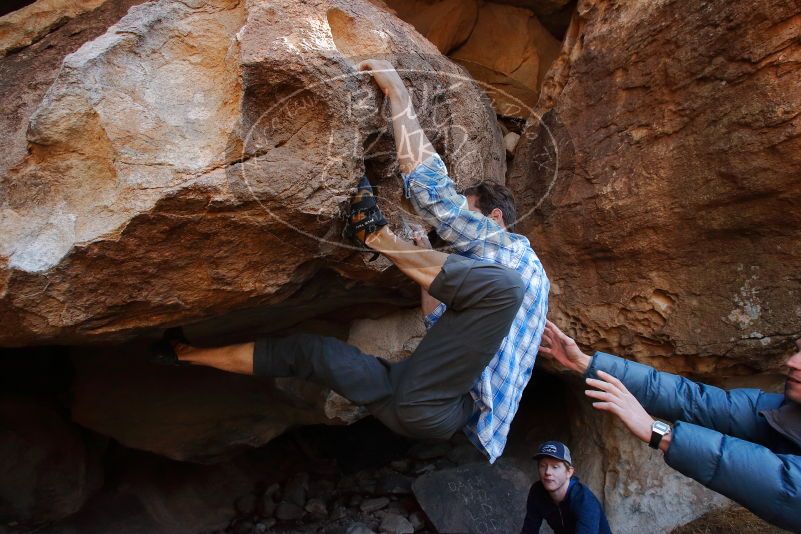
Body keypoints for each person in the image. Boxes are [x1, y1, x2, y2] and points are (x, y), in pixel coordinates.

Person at [152, 60, 549, 463]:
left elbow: (438, 198)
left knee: (503, 288)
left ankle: (374, 233)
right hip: (416, 403)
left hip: (442, 404)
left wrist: (399, 95)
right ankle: (183, 353)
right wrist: (420, 263)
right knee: (312, 354)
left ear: (494, 218)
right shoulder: (499, 288)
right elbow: (438, 327)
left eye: (471, 214)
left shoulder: (510, 251)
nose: (455, 235)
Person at [538, 320, 801, 532]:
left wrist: (659, 433)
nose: (791, 362)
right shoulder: (783, 410)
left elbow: (785, 485)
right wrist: (586, 364)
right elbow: (694, 400)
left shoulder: (584, 504)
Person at [521, 440, 612, 534]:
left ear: (569, 472)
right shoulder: (537, 492)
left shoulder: (584, 500)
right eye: (542, 466)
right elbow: (529, 530)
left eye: (555, 467)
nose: (547, 472)